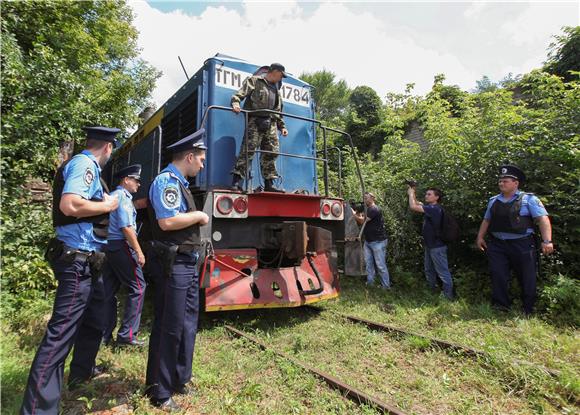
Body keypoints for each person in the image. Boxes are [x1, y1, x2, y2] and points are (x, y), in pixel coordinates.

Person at [21, 126, 120, 414]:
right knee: (60, 335)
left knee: (94, 317)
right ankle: (38, 409)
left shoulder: (86, 167)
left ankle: (81, 373)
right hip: (76, 260)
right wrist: (110, 203)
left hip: (88, 261)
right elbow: (70, 203)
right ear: (108, 148)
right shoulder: (84, 164)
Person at [145, 128, 209, 411]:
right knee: (169, 325)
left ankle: (180, 377)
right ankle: (158, 390)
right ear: (190, 156)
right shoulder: (166, 182)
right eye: (201, 159)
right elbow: (167, 222)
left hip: (187, 262)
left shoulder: (180, 182)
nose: (203, 164)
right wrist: (198, 215)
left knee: (187, 323)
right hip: (174, 264)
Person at [476, 165, 554, 314]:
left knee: (526, 277)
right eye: (500, 181)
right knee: (498, 274)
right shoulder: (493, 201)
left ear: (515, 183)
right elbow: (486, 220)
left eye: (505, 181)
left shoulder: (528, 199)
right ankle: (501, 306)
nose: (501, 183)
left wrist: (547, 241)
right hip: (498, 245)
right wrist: (480, 237)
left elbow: (543, 219)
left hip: (522, 244)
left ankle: (528, 309)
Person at [102, 164, 147, 347]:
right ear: (126, 180)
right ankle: (127, 336)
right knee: (138, 287)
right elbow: (126, 227)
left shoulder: (116, 195)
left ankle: (104, 335)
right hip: (121, 246)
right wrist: (139, 251)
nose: (138, 184)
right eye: (136, 180)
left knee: (108, 291)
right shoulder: (122, 197)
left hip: (110, 247)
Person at [230, 63, 289, 192]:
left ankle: (269, 184)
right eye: (281, 75)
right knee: (248, 151)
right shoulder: (255, 81)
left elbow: (278, 111)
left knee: (271, 152)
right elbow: (238, 95)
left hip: (271, 123)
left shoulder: (276, 90)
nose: (281, 78)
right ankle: (236, 182)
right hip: (255, 120)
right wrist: (235, 103)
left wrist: (282, 126)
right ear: (274, 71)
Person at [407, 185, 454, 300]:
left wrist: (410, 193)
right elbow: (418, 204)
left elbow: (413, 206)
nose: (426, 196)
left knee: (442, 272)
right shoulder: (431, 208)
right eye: (426, 194)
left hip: (437, 247)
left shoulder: (435, 209)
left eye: (429, 194)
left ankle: (448, 297)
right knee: (429, 270)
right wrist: (413, 192)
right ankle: (431, 293)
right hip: (430, 246)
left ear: (436, 197)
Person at [352, 192, 391, 289]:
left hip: (378, 241)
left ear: (372, 198)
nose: (364, 199)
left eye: (366, 198)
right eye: (364, 198)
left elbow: (362, 221)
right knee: (369, 264)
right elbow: (362, 220)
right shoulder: (368, 209)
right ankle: (370, 284)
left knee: (380, 265)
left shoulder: (374, 209)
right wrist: (357, 213)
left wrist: (353, 214)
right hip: (369, 241)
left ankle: (386, 286)